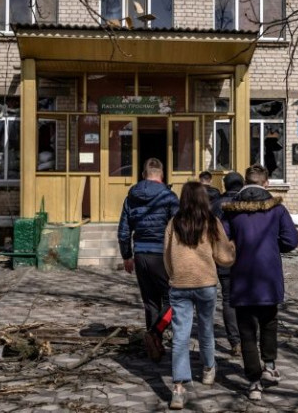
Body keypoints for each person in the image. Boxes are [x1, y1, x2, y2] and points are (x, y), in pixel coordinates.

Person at [222, 164, 298, 402]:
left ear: (246, 182)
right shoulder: (277, 209)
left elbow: (223, 241)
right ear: (266, 183)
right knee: (269, 322)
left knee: (246, 330)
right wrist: (273, 247)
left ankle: (254, 382)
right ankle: (270, 364)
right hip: (268, 276)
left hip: (242, 276)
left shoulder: (232, 210)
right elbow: (291, 240)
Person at [163, 181, 235, 410]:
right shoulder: (211, 222)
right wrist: (232, 247)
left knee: (180, 335)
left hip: (180, 284)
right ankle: (208, 370)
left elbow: (166, 255)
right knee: (206, 329)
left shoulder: (174, 223)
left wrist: (174, 275)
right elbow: (224, 257)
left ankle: (178, 389)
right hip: (206, 283)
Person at [118, 158, 179, 363]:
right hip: (162, 255)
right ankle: (155, 333)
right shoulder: (169, 197)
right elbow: (178, 228)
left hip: (141, 254)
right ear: (161, 175)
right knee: (175, 299)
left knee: (150, 301)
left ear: (144, 175)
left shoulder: (131, 197)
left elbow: (124, 231)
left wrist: (127, 255)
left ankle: (155, 346)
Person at [210, 171, 244, 356]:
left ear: (225, 185)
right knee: (247, 298)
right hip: (246, 257)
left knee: (228, 298)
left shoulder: (215, 205)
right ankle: (248, 340)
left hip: (223, 257)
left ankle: (235, 342)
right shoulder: (248, 203)